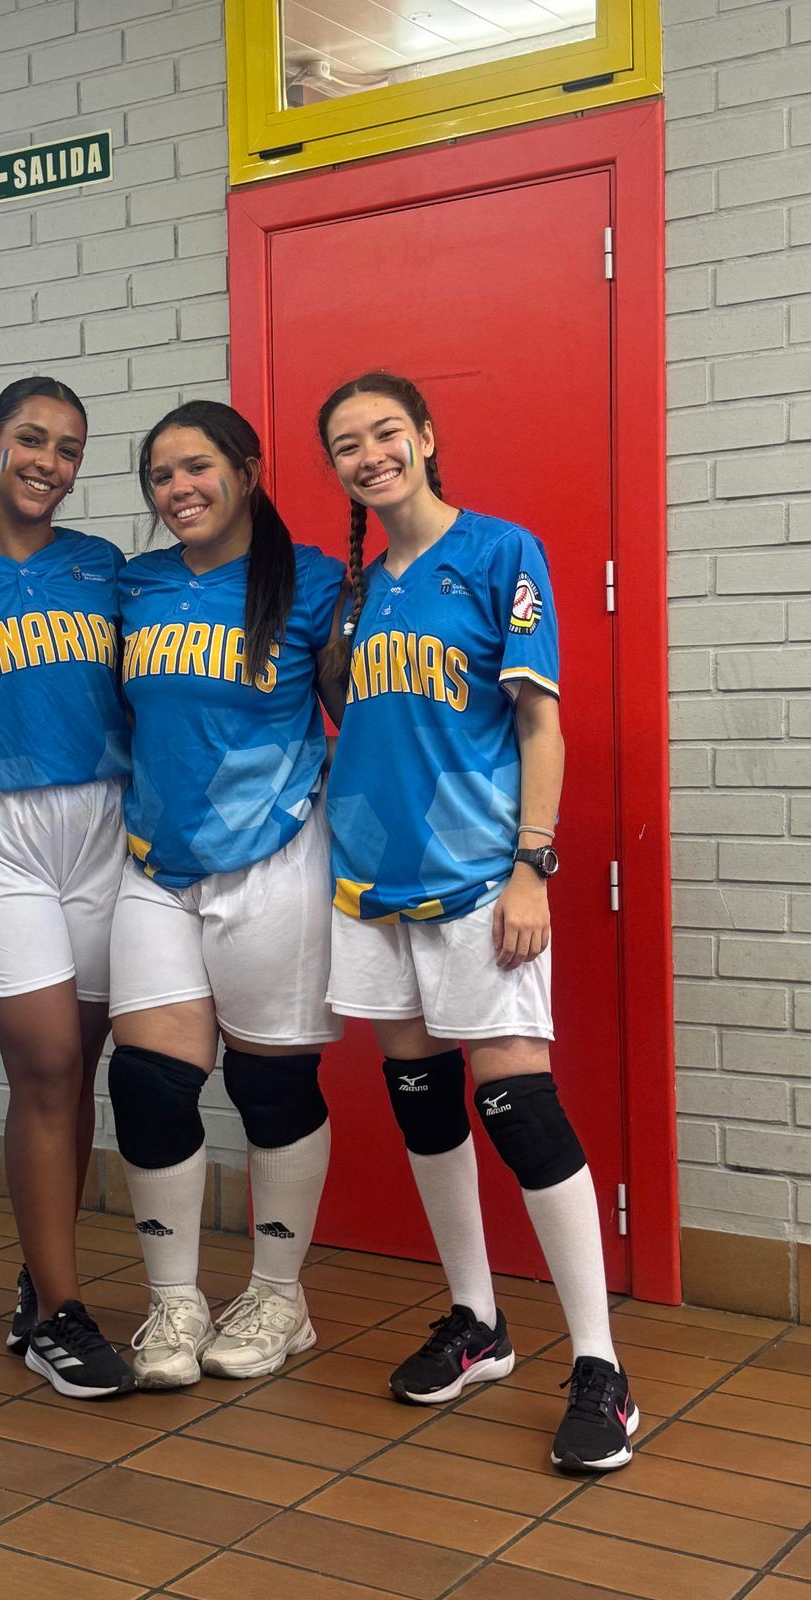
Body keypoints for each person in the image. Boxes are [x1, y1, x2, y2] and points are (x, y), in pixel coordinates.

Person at [317, 370, 637, 1474]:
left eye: (385, 433)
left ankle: (599, 1365)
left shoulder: (502, 553)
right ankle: (478, 1321)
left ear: (426, 435)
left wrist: (532, 866)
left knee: (518, 1105)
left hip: (477, 878)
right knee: (421, 1097)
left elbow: (541, 723)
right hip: (371, 882)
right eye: (347, 445)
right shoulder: (353, 595)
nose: (370, 455)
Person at [108, 400, 345, 1389]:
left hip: (274, 855)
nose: (179, 489)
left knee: (269, 1087)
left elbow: (365, 715)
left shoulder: (317, 583)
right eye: (161, 475)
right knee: (146, 1082)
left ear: (247, 470)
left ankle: (280, 1297)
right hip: (156, 862)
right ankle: (174, 1303)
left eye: (197, 467)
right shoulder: (136, 584)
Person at [0, 377, 134, 1399]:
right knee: (44, 1062)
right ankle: (60, 1316)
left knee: (78, 1068)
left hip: (101, 828)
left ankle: (42, 1274)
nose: (49, 461)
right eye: (32, 439)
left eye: (69, 448)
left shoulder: (105, 569)